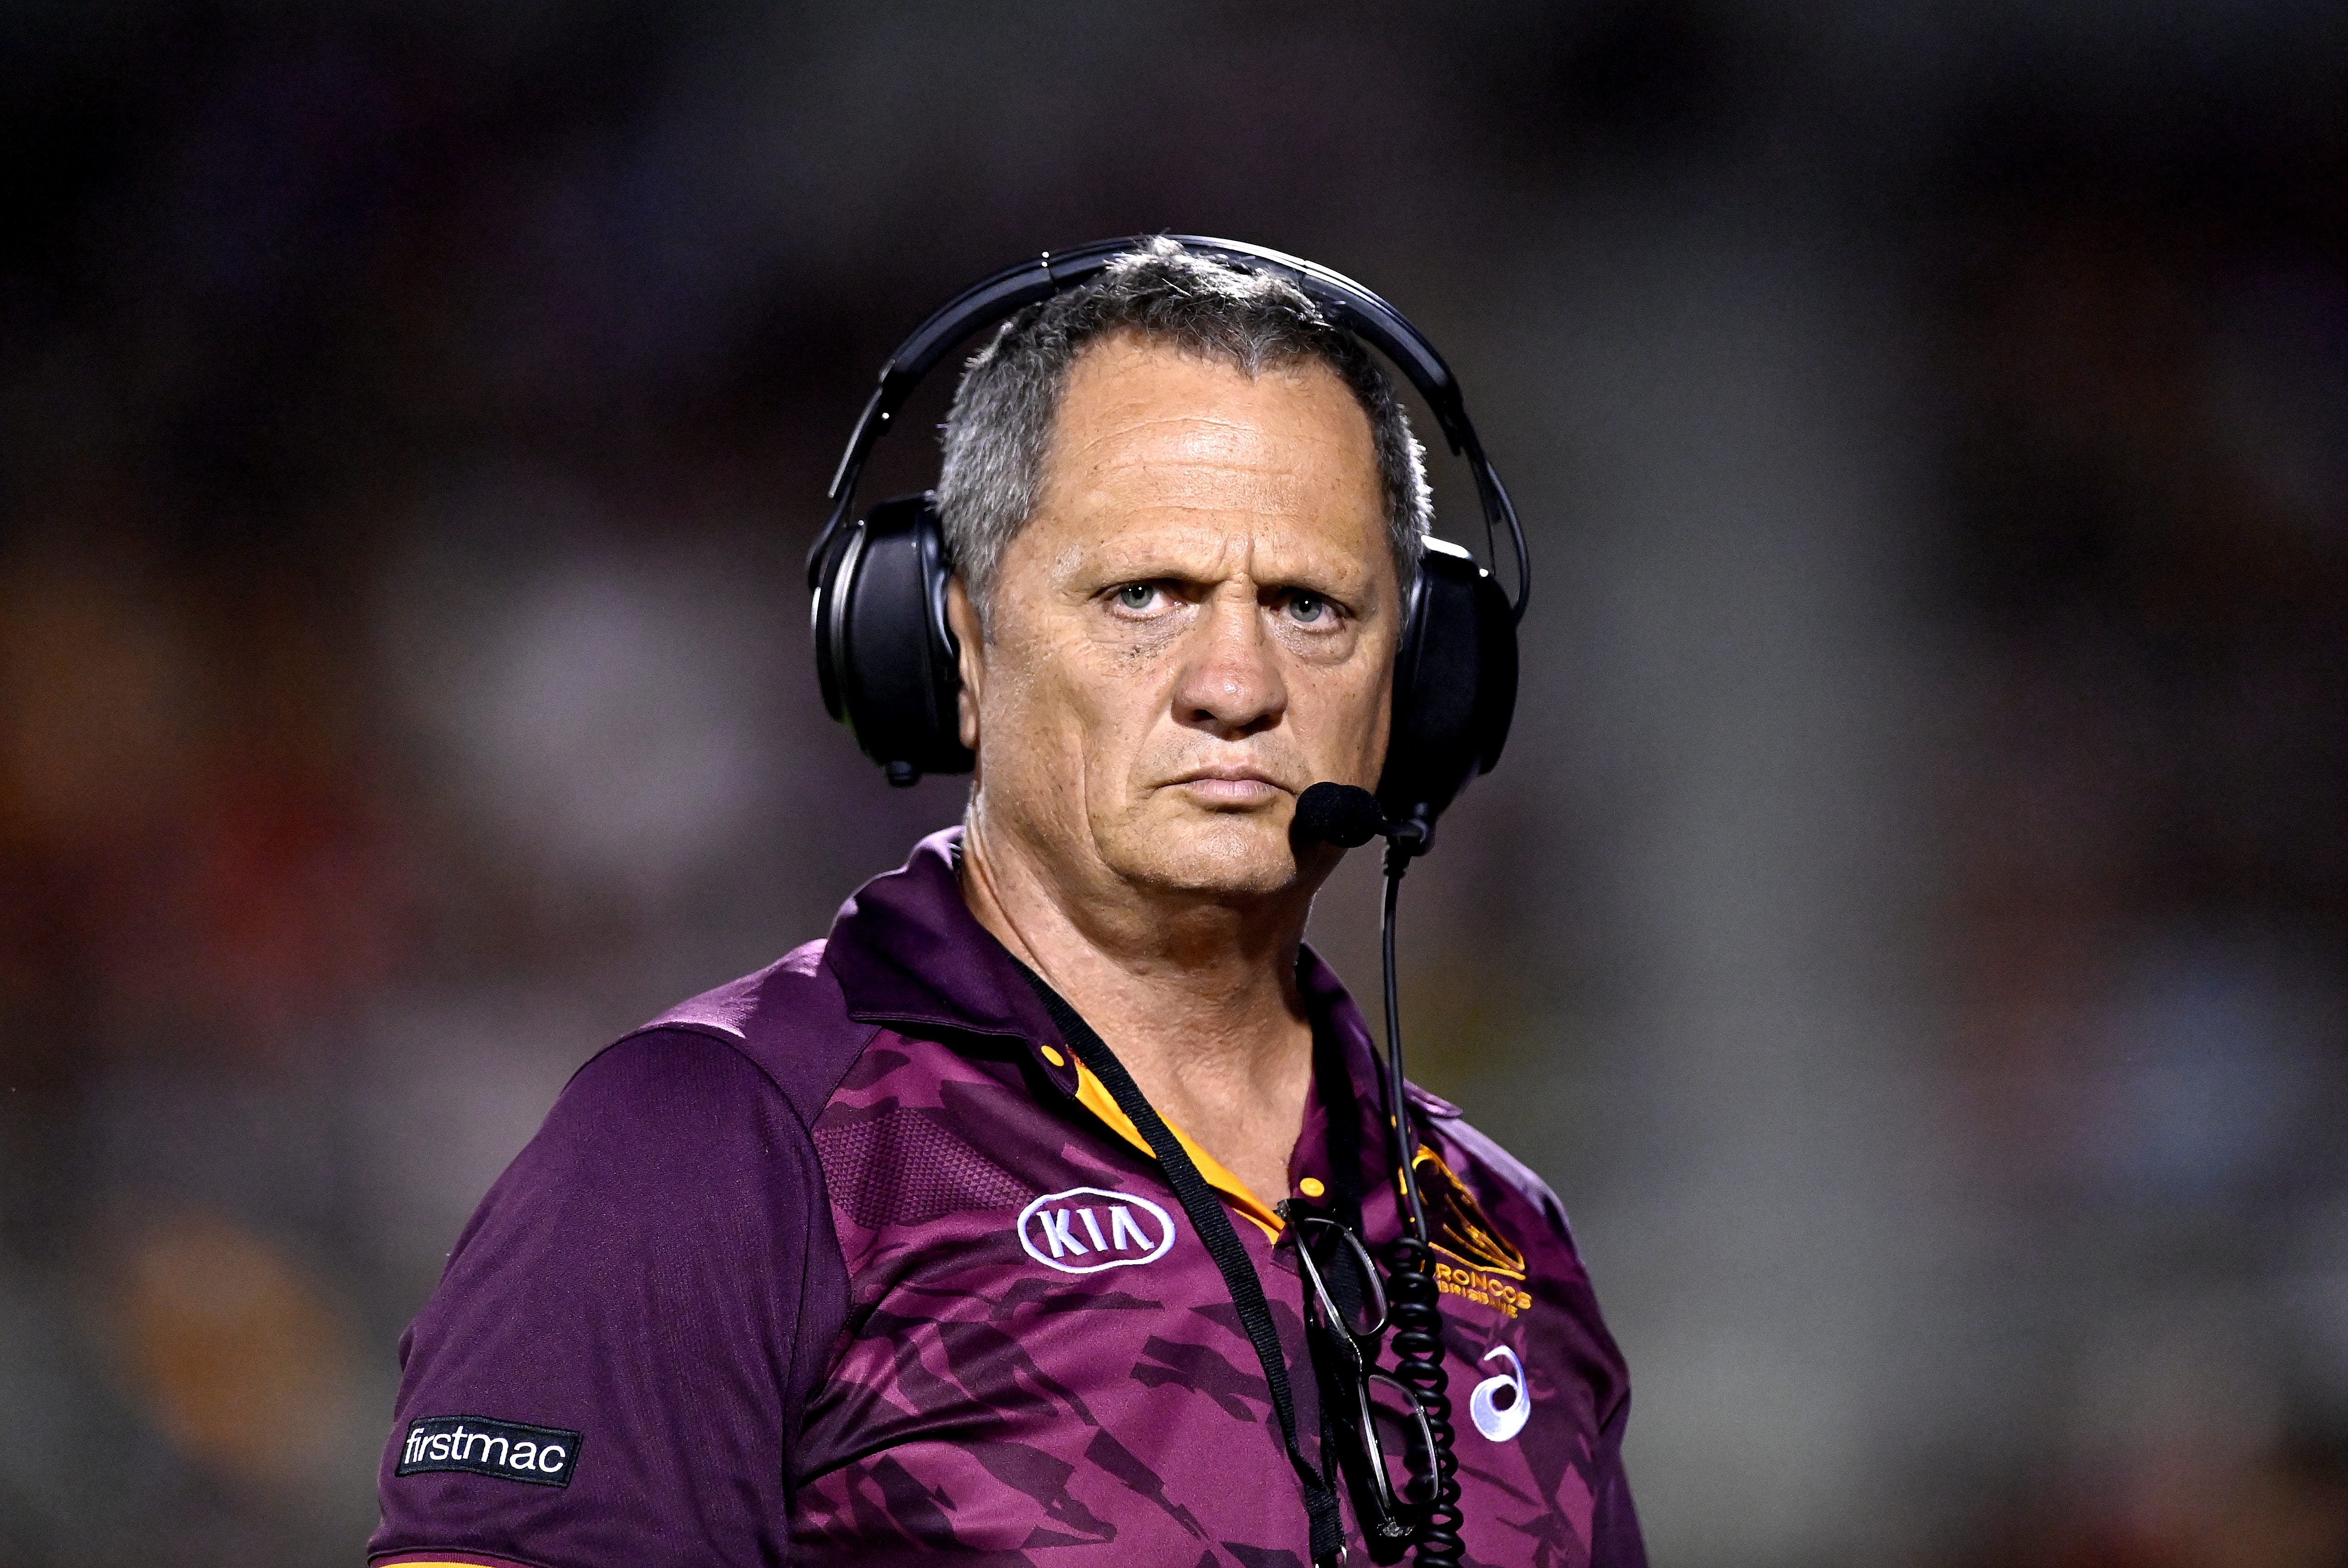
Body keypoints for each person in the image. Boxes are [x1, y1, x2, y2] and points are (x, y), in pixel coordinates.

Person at [369, 239, 1644, 1568]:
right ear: (958, 648)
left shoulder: (1503, 1234)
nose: (1235, 684)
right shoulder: (711, 1150)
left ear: (1422, 684)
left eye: (1311, 607)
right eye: (1144, 595)